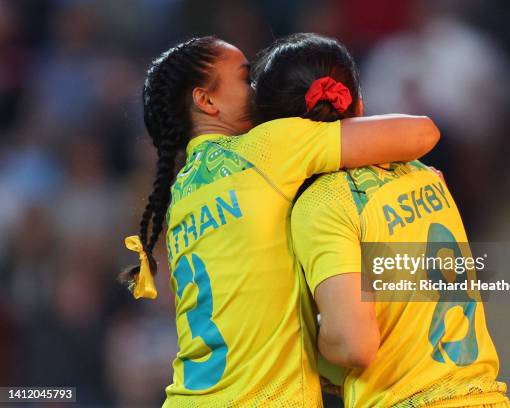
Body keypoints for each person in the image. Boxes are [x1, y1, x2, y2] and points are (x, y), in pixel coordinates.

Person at [122, 36, 440, 406]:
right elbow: (422, 132)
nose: (258, 89)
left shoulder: (180, 197)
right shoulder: (267, 147)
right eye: (245, 79)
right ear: (206, 101)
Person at [252, 33, 510, 407]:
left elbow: (355, 345)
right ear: (357, 105)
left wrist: (309, 335)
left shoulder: (322, 203)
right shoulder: (425, 175)